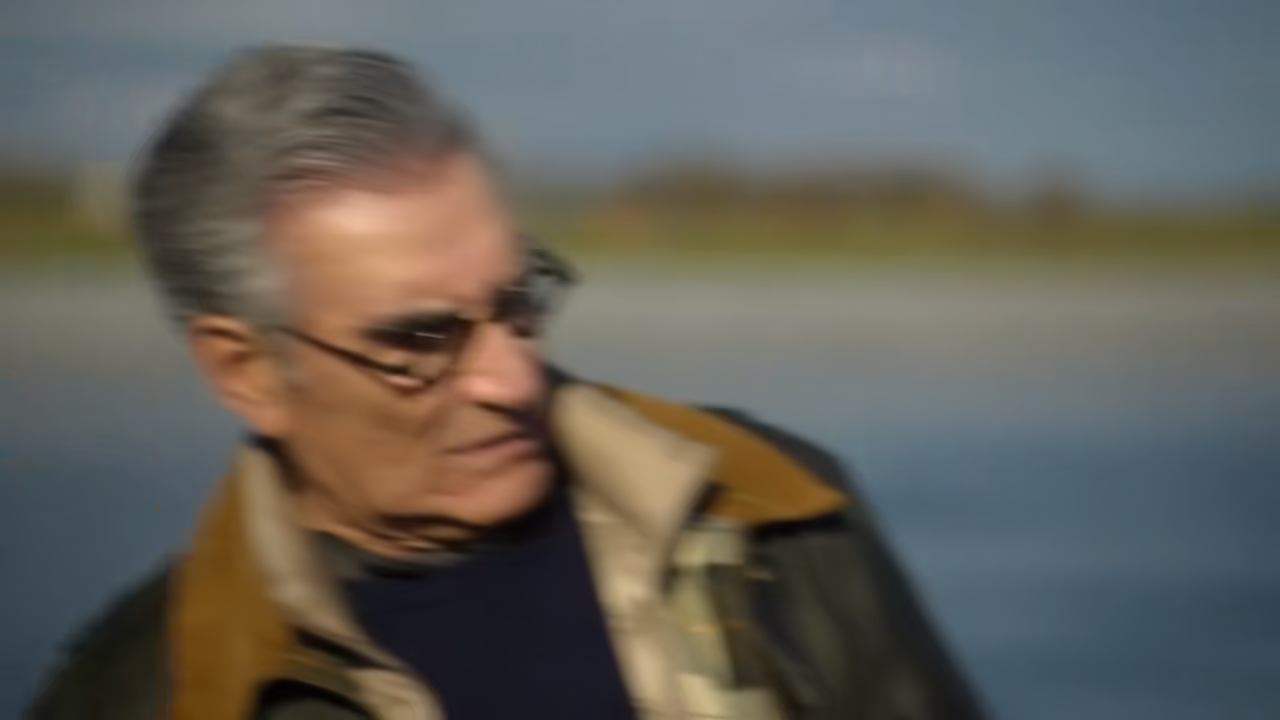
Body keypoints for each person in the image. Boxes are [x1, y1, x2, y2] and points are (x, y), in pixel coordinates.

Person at [27, 45, 986, 720]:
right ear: (247, 373)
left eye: (518, 299)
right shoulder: (150, 693)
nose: (512, 377)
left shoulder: (779, 510)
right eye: (420, 340)